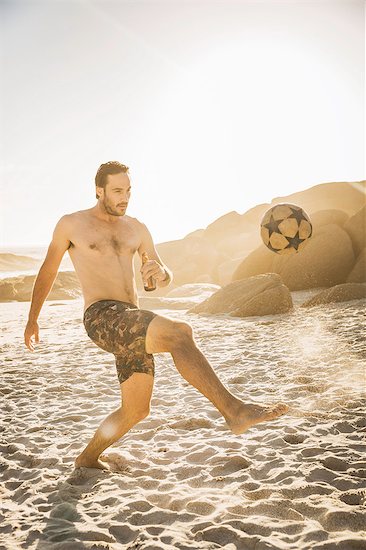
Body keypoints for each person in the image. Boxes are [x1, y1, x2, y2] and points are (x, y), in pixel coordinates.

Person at [24, 161, 289, 471]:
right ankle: (235, 411)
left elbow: (161, 277)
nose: (125, 197)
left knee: (136, 410)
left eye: (129, 191)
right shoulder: (72, 224)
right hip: (101, 316)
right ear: (99, 191)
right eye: (118, 191)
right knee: (179, 332)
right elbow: (48, 270)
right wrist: (32, 318)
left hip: (131, 320)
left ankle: (87, 457)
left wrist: (159, 274)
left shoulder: (137, 228)